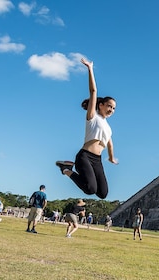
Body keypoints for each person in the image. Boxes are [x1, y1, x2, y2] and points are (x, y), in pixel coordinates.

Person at [56, 58, 117, 199]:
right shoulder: (92, 117)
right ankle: (66, 169)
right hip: (85, 156)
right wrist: (90, 68)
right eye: (109, 106)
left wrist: (112, 158)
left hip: (98, 159)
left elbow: (109, 143)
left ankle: (67, 167)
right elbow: (93, 91)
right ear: (100, 105)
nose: (111, 110)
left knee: (103, 193)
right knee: (90, 189)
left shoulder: (108, 127)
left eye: (114, 108)